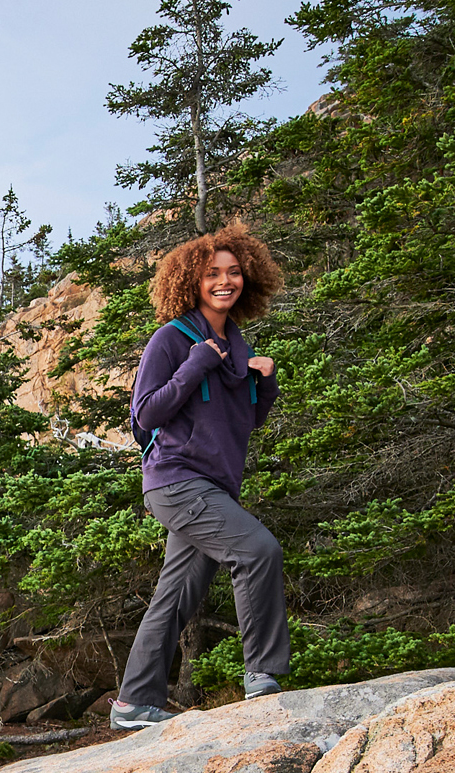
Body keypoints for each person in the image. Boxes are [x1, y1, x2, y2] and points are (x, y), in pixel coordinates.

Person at [110, 223, 291, 730]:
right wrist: (193, 366)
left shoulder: (235, 344)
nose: (224, 281)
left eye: (234, 272)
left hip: (213, 487)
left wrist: (266, 383)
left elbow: (246, 421)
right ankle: (263, 676)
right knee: (258, 551)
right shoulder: (171, 339)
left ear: (247, 279)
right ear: (191, 280)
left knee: (177, 595)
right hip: (176, 481)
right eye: (213, 273)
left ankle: (132, 703)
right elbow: (145, 415)